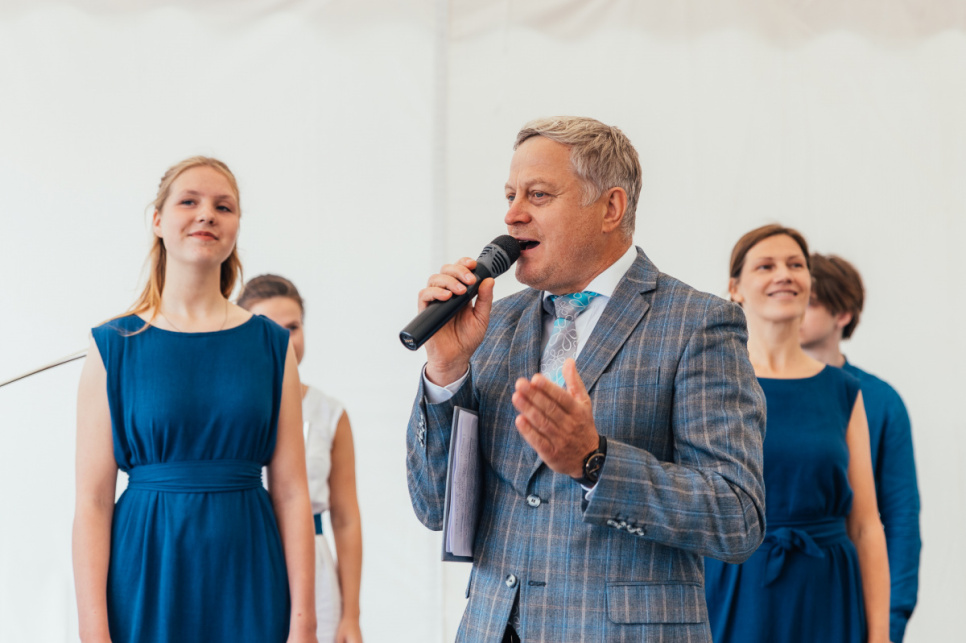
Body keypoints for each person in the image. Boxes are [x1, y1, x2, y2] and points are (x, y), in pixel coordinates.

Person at [406, 116, 767, 642]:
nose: (512, 214)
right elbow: (436, 508)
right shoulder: (492, 324)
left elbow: (737, 516)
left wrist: (595, 462)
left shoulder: (698, 323)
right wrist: (446, 371)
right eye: (510, 195)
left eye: (538, 194)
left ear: (611, 208)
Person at [72, 157, 318, 643]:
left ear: (237, 225)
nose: (207, 214)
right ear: (158, 220)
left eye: (223, 206)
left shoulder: (272, 346)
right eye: (189, 201)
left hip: (249, 572)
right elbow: (93, 501)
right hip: (144, 572)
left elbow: (292, 493)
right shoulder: (113, 346)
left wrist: (304, 623)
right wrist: (93, 631)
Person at [704, 225, 891, 643]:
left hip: (827, 592)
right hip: (733, 589)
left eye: (795, 265)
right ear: (735, 288)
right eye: (766, 266)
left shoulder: (842, 390)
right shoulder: (711, 381)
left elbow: (866, 525)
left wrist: (880, 635)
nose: (784, 275)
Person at [800, 252, 921, 642]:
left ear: (842, 314)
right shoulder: (750, 389)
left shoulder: (880, 401)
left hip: (843, 593)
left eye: (810, 302)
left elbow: (900, 519)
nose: (794, 308)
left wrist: (890, 623)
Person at [239, 275, 364, 643]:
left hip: (315, 572)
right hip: (243, 557)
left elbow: (345, 518)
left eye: (293, 327)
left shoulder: (329, 413)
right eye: (269, 328)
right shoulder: (227, 410)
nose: (284, 340)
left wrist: (351, 616)